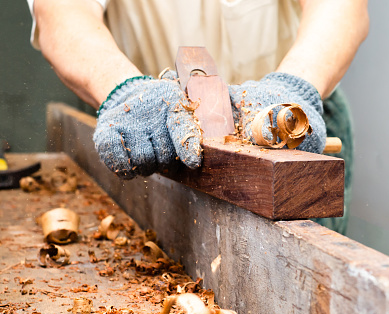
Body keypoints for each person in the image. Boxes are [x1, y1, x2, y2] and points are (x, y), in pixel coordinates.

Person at [27, 0, 369, 234]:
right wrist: (125, 91)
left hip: (287, 113)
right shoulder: (137, 111)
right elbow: (60, 11)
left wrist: (297, 84)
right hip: (146, 125)